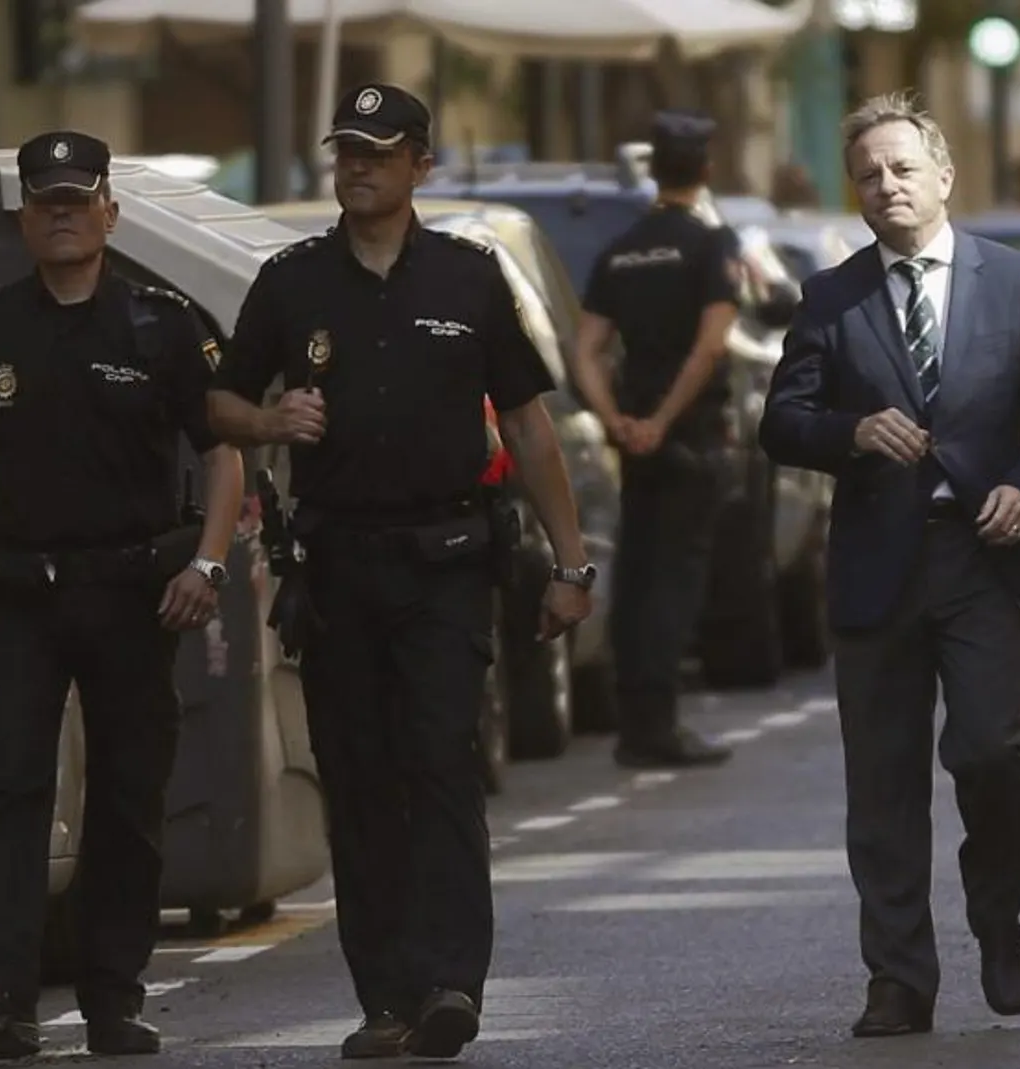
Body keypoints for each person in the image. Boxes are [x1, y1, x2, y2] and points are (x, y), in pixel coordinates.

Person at [206, 83, 594, 1061]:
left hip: (448, 560)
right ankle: (387, 995)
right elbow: (215, 403)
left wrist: (572, 562)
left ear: (420, 163)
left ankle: (452, 981)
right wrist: (266, 422)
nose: (358, 167)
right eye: (346, 151)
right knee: (363, 781)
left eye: (379, 152)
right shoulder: (292, 281)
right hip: (337, 568)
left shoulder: (468, 278)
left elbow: (531, 426)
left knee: (439, 759)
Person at [759, 92, 1020, 1038]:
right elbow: (779, 422)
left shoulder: (1016, 282)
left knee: (990, 751)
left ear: (944, 177)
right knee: (883, 783)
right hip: (877, 564)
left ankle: (998, 917)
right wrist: (852, 430)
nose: (886, 185)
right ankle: (899, 976)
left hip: (983, 557)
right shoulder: (833, 298)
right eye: (868, 173)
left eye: (903, 168)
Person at [0, 130, 246, 1059]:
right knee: (10, 786)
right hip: (20, 594)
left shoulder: (161, 323)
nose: (61, 213)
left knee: (127, 799)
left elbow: (224, 455)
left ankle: (113, 995)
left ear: (109, 209)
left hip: (136, 596)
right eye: (44, 200)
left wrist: (208, 564)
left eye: (77, 197)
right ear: (23, 216)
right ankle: (1, 990)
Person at [568, 109, 739, 769]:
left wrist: (618, 420)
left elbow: (585, 350)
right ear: (705, 170)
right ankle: (657, 726)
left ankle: (632, 716)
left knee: (638, 576)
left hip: (634, 440)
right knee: (675, 580)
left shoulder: (622, 250)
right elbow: (712, 344)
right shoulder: (709, 245)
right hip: (688, 435)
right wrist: (666, 419)